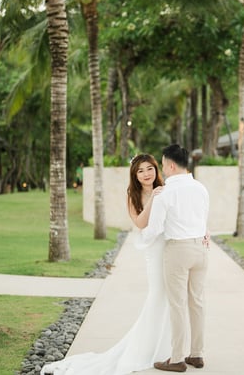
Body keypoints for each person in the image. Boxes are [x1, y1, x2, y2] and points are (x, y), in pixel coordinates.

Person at [40, 153, 171, 375]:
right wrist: (153, 200)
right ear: (135, 175)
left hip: (172, 247)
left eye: (150, 169)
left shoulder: (168, 188)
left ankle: (168, 348)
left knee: (172, 298)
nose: (146, 174)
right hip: (155, 251)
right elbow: (140, 223)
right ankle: (149, 349)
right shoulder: (134, 194)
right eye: (141, 171)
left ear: (157, 169)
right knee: (158, 295)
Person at [140, 144, 210, 373]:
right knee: (197, 302)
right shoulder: (201, 188)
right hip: (201, 249)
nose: (162, 168)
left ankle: (178, 358)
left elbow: (155, 229)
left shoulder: (165, 193)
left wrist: (141, 236)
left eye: (162, 164)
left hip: (178, 251)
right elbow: (203, 220)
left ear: (170, 165)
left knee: (177, 304)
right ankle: (197, 354)